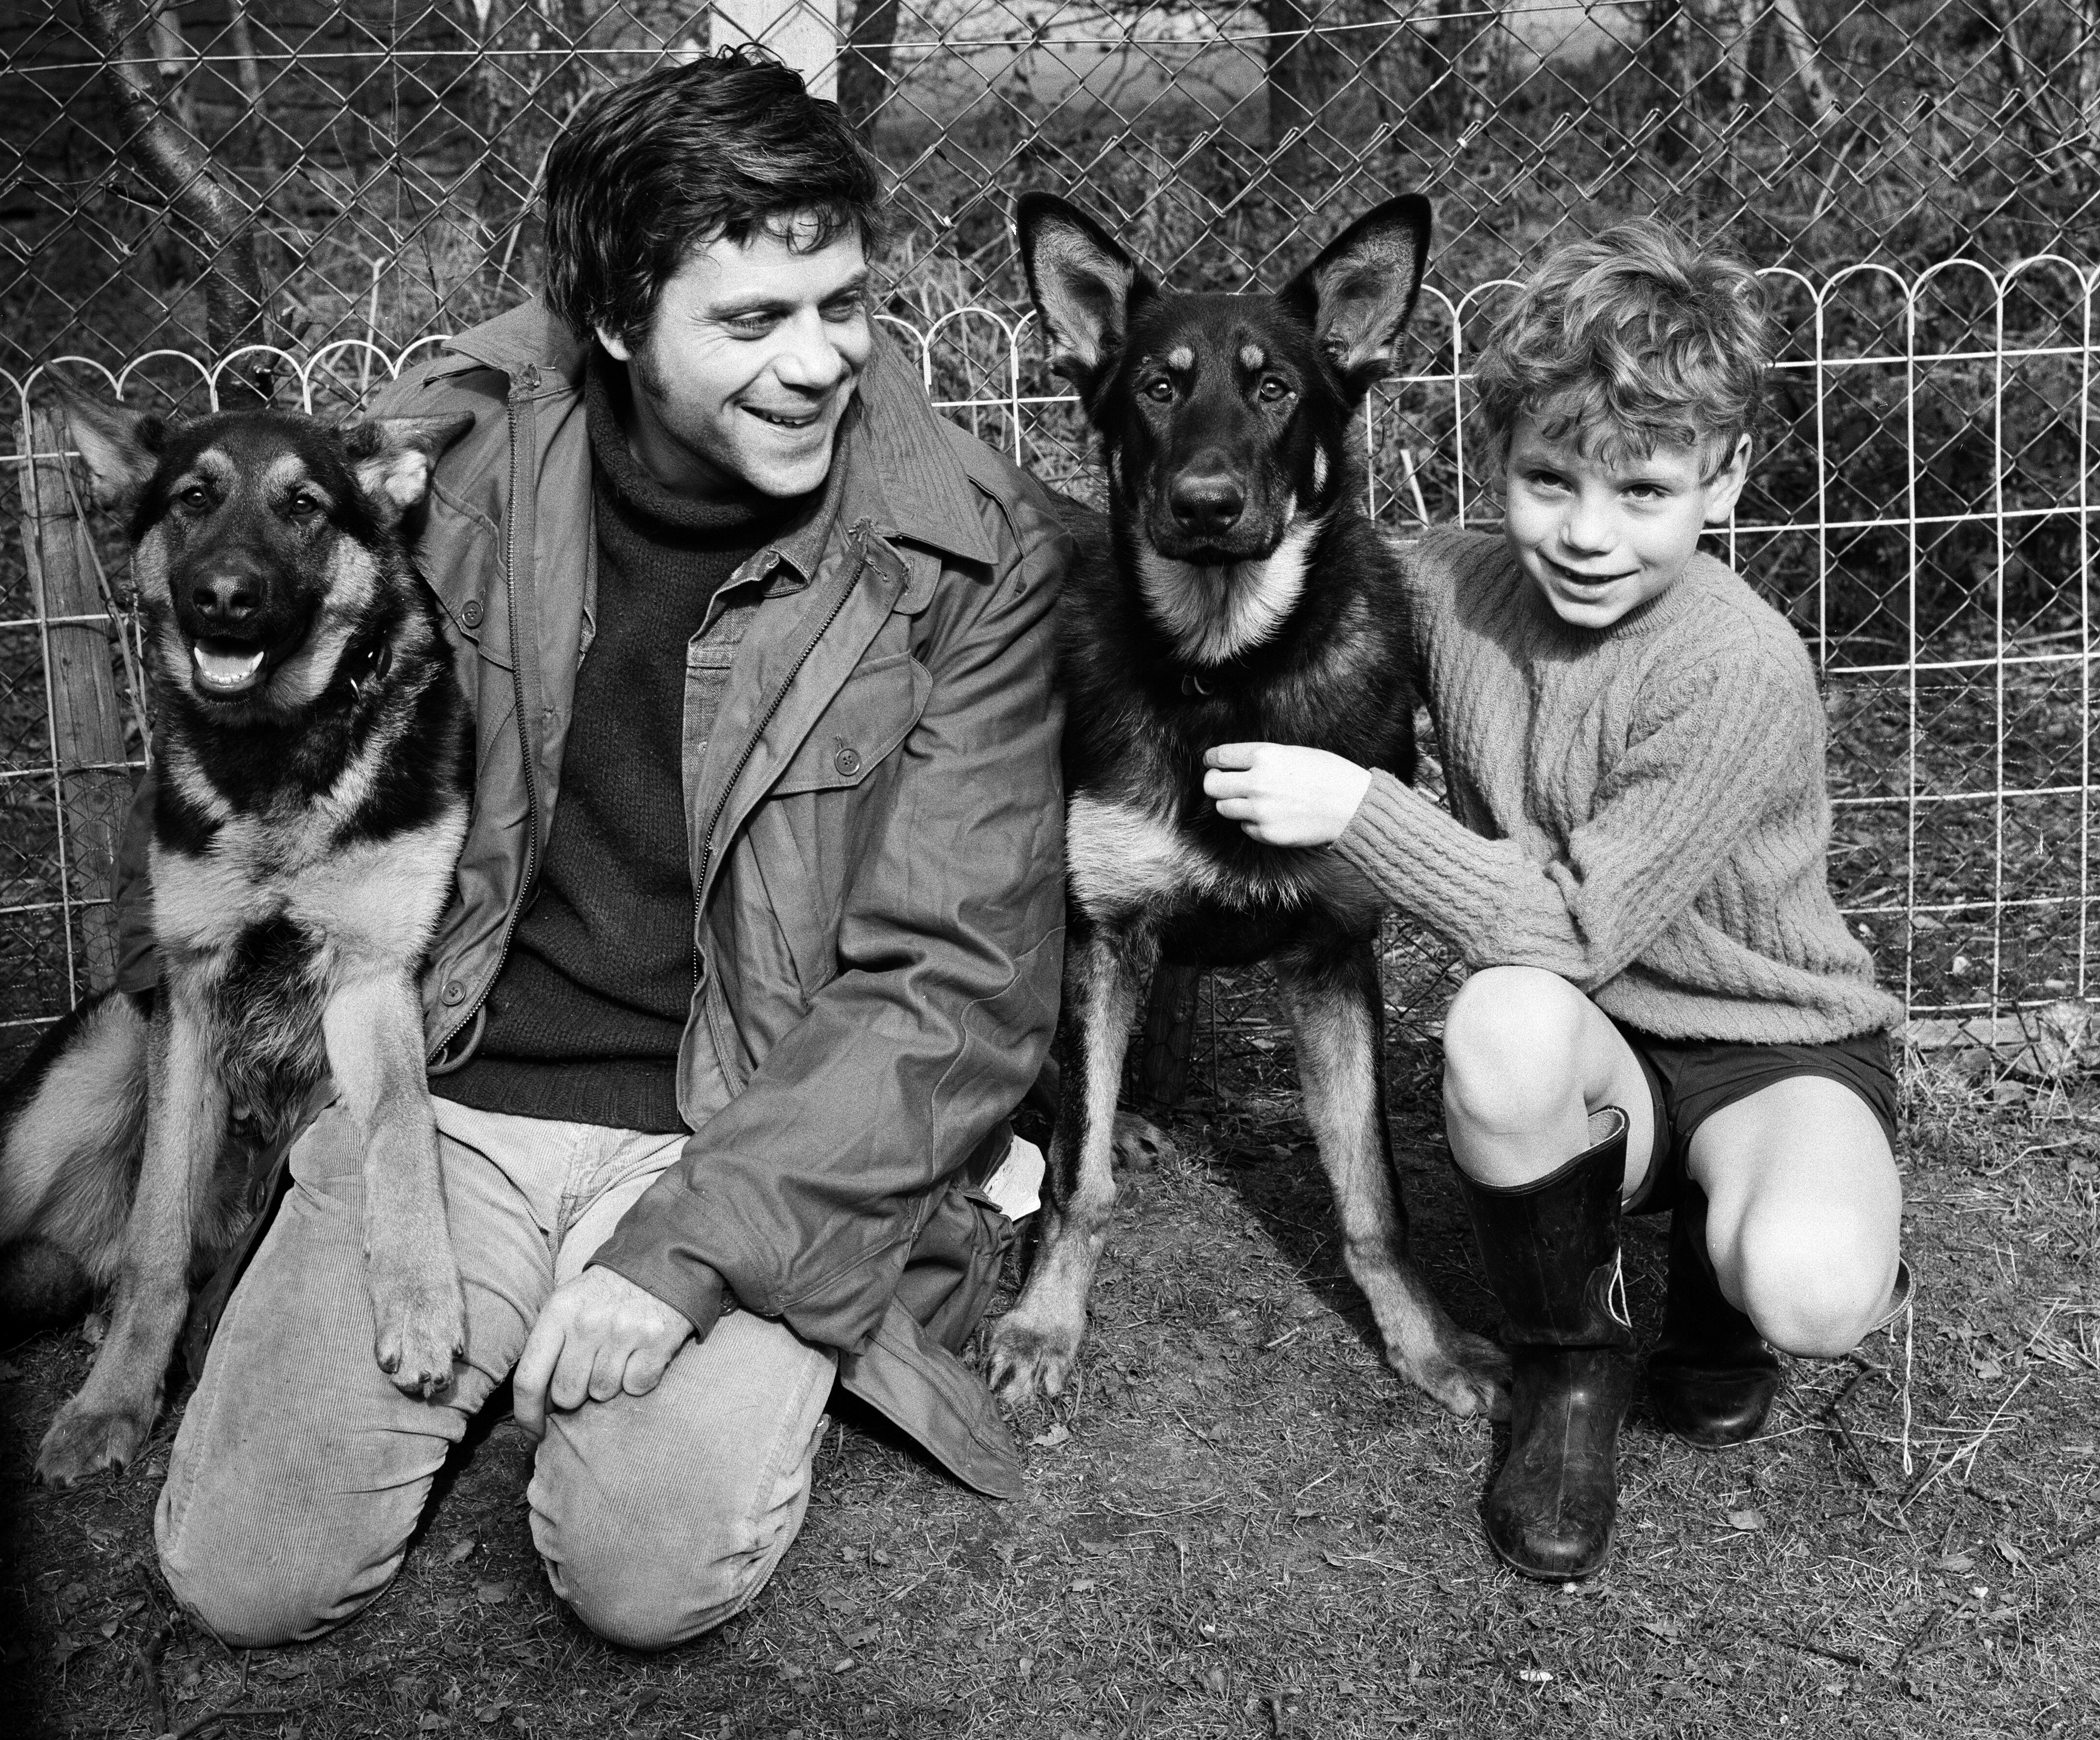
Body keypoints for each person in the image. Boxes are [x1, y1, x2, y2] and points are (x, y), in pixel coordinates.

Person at [131, 49, 1069, 1648]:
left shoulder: (964, 552)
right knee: (245, 1572)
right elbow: (251, 558)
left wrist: (686, 1258)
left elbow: (958, 982)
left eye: (841, 304)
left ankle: (848, 1261)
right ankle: (482, 1309)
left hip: (745, 1117)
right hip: (458, 1083)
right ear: (623, 323)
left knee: (645, 1578)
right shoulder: (471, 460)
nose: (819, 363)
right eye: (752, 321)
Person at [1199, 218, 1911, 1583]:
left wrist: (1361, 810)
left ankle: (1727, 1286)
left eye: (1641, 492)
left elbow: (1584, 923)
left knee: (1810, 1287)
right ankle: (1565, 1376)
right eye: (1546, 479)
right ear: (1496, 466)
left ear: (1727, 478)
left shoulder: (1733, 665)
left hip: (1766, 1046)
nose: (1586, 535)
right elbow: (1280, 572)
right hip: (1586, 1043)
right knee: (1502, 1025)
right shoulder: (1446, 589)